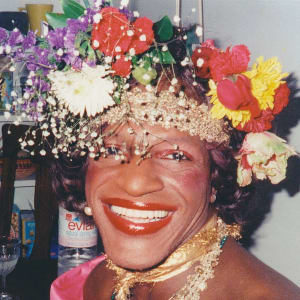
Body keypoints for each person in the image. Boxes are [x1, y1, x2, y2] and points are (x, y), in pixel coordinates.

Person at [0, 1, 299, 299]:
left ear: (216, 178)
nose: (135, 183)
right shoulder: (97, 282)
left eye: (175, 155)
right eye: (111, 150)